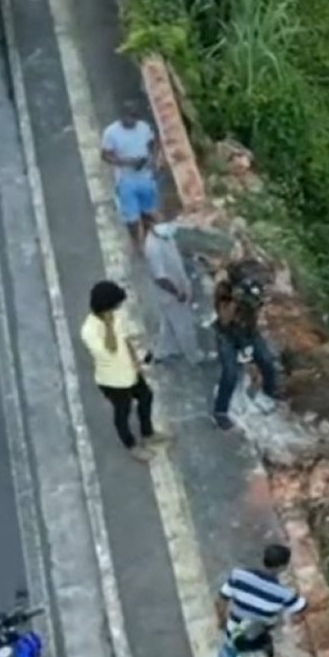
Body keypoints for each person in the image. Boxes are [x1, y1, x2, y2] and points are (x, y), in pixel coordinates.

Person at [80, 281, 168, 461]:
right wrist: (108, 324)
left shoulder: (115, 316)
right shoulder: (89, 330)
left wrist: (135, 360)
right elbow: (111, 348)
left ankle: (147, 433)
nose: (118, 307)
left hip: (129, 371)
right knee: (122, 411)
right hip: (112, 380)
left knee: (146, 396)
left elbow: (123, 340)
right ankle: (131, 444)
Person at [212, 260, 279, 431]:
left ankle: (269, 394)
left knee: (267, 361)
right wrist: (235, 300)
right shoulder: (224, 290)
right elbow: (224, 320)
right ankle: (220, 411)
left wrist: (256, 298)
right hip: (226, 335)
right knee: (230, 373)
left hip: (248, 331)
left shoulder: (255, 290)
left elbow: (257, 309)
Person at [143, 213, 210, 365]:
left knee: (168, 323)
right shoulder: (152, 248)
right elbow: (160, 278)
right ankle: (195, 357)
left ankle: (164, 351)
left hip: (178, 285)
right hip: (170, 295)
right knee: (184, 326)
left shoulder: (165, 237)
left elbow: (176, 254)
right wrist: (177, 293)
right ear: (150, 223)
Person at [101, 101, 160, 252]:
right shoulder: (111, 132)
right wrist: (126, 162)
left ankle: (148, 239)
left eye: (134, 117)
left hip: (145, 177)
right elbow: (106, 155)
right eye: (128, 117)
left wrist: (153, 160)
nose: (131, 120)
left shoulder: (144, 128)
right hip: (126, 179)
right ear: (122, 116)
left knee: (148, 212)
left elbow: (152, 144)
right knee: (131, 218)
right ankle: (135, 241)